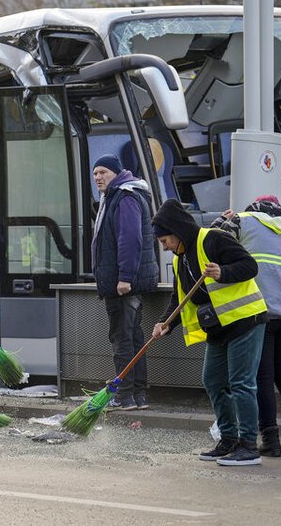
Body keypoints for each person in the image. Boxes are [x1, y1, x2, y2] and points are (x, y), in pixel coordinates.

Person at [150, 198, 268, 466]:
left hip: (245, 320)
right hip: (218, 327)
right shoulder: (181, 260)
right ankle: (228, 438)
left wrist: (222, 272)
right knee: (213, 380)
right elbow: (180, 298)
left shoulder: (213, 239)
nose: (165, 246)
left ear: (177, 231)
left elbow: (250, 266)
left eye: (165, 240)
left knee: (240, 383)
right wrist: (165, 323)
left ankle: (248, 444)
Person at [212, 195, 281, 457]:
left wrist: (222, 219)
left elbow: (211, 241)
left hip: (262, 311)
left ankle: (271, 442)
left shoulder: (242, 221)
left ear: (254, 209)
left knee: (262, 377)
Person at [91, 154, 158, 411]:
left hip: (123, 283)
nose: (98, 177)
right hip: (126, 281)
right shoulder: (120, 195)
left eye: (103, 172)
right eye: (95, 173)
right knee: (133, 336)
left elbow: (130, 239)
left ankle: (124, 395)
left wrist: (125, 277)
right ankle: (138, 395)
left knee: (122, 337)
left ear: (117, 173)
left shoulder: (125, 196)